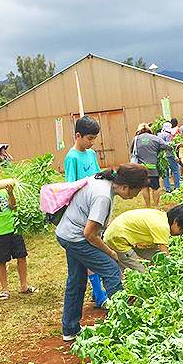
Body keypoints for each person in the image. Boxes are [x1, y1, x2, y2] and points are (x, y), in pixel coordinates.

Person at [56, 163, 148, 341]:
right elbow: (89, 234)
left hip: (67, 232)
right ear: (124, 187)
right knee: (111, 271)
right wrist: (111, 253)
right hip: (76, 237)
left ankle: (70, 329)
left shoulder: (103, 182)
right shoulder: (103, 196)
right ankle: (124, 325)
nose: (134, 196)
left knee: (76, 280)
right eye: (135, 192)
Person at [0, 157, 37, 300]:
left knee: (21, 256)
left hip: (13, 228)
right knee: (1, 261)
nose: (0, 171)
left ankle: (24, 285)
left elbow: (13, 207)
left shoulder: (3, 187)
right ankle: (5, 289)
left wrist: (10, 193)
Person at [63, 115, 107, 308]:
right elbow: (70, 186)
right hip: (82, 210)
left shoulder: (91, 154)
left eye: (94, 139)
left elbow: (97, 175)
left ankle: (98, 291)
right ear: (78, 136)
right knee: (90, 251)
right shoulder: (71, 157)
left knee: (96, 248)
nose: (92, 143)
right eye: (89, 139)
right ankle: (98, 294)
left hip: (95, 206)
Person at [103, 203, 183, 272]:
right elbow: (164, 257)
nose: (181, 234)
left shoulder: (161, 217)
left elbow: (159, 255)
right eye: (181, 230)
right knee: (141, 272)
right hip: (117, 239)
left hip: (127, 236)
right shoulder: (162, 227)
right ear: (175, 221)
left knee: (155, 255)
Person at [130, 123, 170, 209]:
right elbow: (165, 146)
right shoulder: (156, 138)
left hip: (142, 168)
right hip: (152, 168)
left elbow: (131, 151)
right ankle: (156, 206)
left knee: (145, 187)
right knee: (156, 187)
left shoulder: (136, 139)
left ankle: (148, 207)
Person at [157, 122, 181, 193]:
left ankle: (168, 188)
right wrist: (177, 145)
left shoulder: (158, 135)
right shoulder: (168, 135)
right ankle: (177, 187)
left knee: (165, 172)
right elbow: (169, 146)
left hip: (162, 156)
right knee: (175, 170)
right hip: (169, 155)